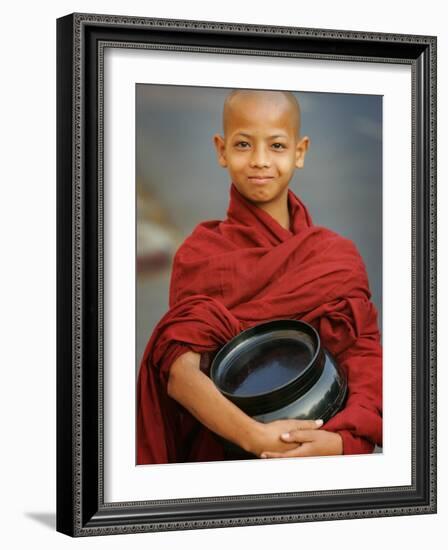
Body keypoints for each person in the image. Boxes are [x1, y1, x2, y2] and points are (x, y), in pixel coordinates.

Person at [137, 89, 382, 464]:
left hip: (322, 449)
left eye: (277, 146)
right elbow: (179, 373)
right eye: (243, 144)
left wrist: (344, 442)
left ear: (300, 152)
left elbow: (363, 357)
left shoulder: (334, 257)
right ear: (221, 150)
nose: (260, 161)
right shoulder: (201, 255)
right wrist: (256, 438)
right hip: (227, 453)